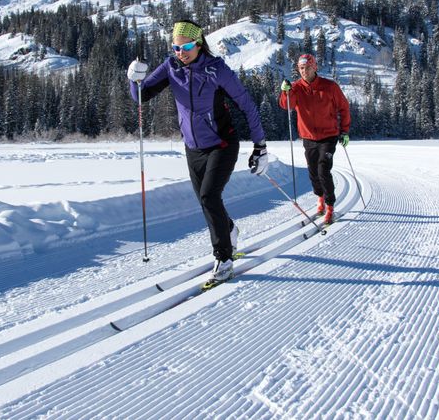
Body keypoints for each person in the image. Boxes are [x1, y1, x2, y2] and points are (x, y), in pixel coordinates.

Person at [127, 19, 268, 284]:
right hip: (193, 148)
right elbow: (141, 96)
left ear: (199, 43)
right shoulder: (171, 67)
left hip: (222, 144)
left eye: (187, 46)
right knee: (206, 202)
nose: (181, 53)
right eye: (176, 48)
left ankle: (224, 257)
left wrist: (260, 146)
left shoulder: (216, 69)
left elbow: (247, 105)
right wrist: (133, 79)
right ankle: (228, 229)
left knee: (209, 195)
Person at [278, 54, 350, 224]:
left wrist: (344, 131)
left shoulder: (330, 87)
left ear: (315, 67)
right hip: (308, 137)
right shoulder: (295, 87)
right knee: (313, 172)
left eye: (308, 68)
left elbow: (344, 108)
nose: (304, 71)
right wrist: (285, 92)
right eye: (301, 68)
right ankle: (320, 198)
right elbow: (286, 105)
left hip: (328, 136)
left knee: (323, 169)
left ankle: (330, 206)